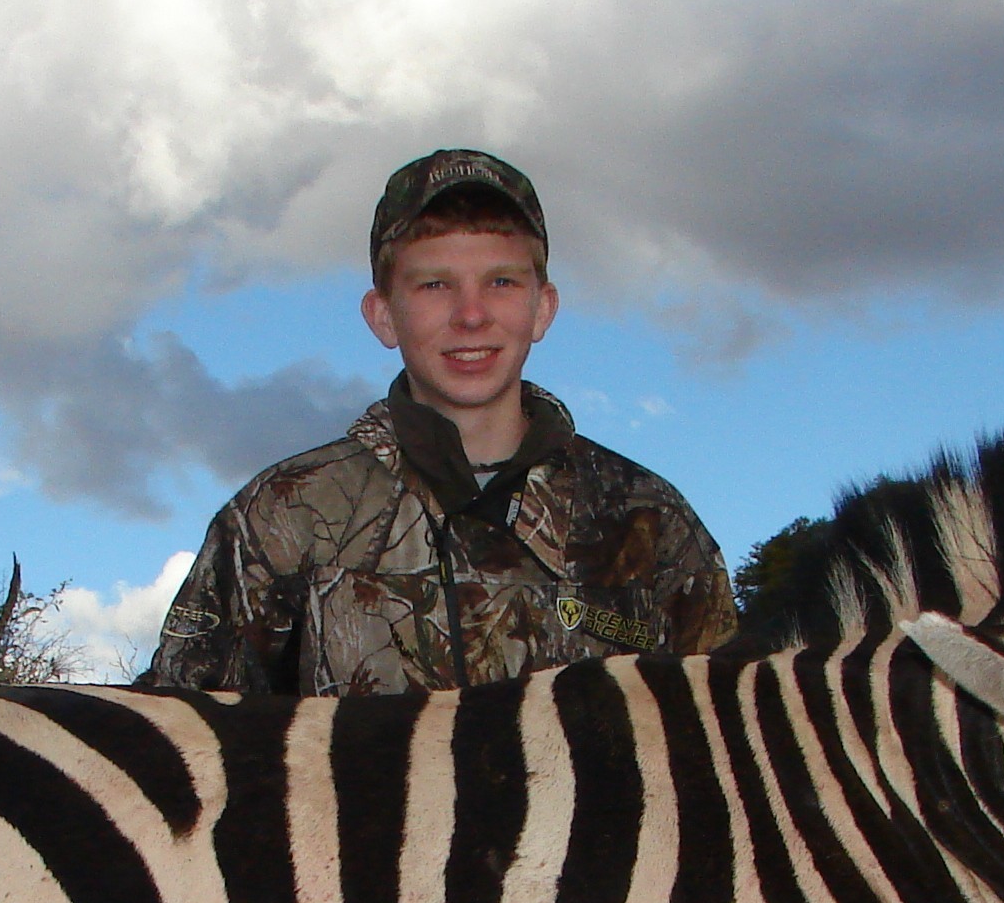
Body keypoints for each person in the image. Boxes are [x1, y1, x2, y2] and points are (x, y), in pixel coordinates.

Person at [142, 149, 737, 696]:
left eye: (501, 282)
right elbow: (174, 739)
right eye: (434, 285)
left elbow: (732, 752)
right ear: (383, 316)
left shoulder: (650, 522)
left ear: (543, 307)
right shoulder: (284, 516)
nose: (471, 316)